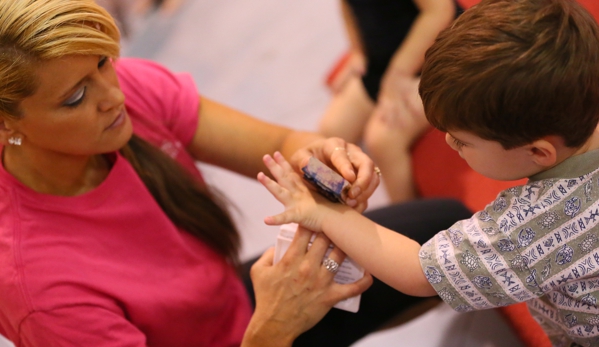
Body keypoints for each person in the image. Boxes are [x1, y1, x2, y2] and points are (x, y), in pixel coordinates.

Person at [0, 0, 384, 345]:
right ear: (6, 124)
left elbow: (282, 143)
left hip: (235, 307)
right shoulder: (40, 290)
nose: (114, 96)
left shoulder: (126, 92)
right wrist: (274, 328)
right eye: (75, 98)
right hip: (262, 329)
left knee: (425, 249)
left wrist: (324, 162)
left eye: (104, 61)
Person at [258, 0, 599, 345]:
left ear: (539, 151)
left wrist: (323, 212)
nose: (450, 143)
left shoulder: (534, 227)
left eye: (464, 141)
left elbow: (418, 274)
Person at [319, 0, 462, 202]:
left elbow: (440, 11)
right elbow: (347, 5)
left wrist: (398, 74)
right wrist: (357, 50)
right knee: (330, 131)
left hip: (439, 56)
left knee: (382, 139)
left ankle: (408, 223)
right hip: (386, 61)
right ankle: (330, 212)